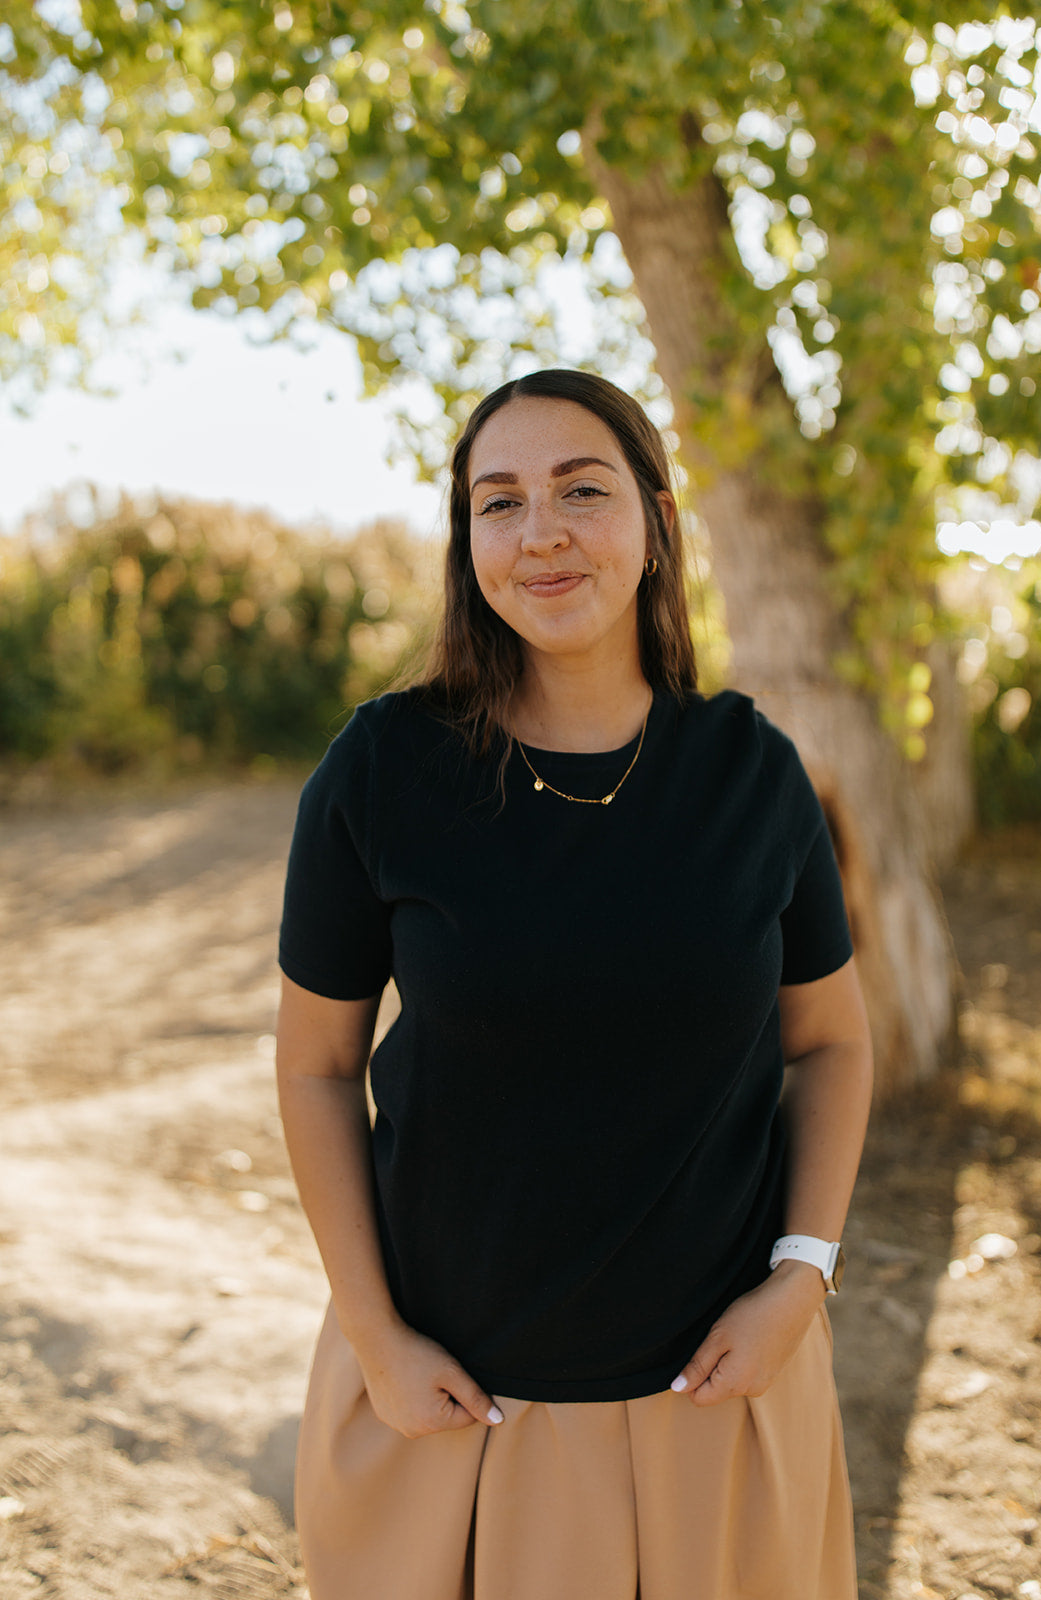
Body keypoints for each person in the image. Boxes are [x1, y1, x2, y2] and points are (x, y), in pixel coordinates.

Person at [275, 367, 874, 1600]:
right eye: (497, 503)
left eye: (580, 490)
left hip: (717, 1399)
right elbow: (315, 1065)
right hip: (450, 1410)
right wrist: (377, 1337)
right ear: (467, 545)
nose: (539, 531)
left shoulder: (752, 774)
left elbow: (830, 1043)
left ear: (654, 522)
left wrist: (800, 1274)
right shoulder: (383, 768)